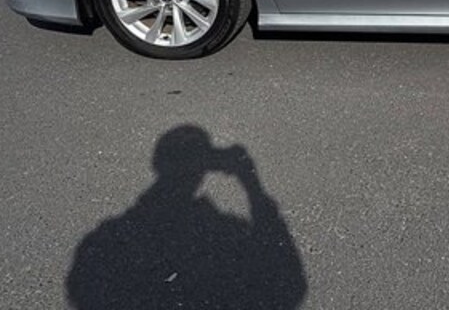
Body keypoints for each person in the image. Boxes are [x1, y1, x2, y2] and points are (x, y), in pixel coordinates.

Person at [66, 125, 307, 309]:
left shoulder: (105, 238)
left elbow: (80, 289)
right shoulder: (228, 230)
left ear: (158, 163)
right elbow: (289, 284)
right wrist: (252, 184)